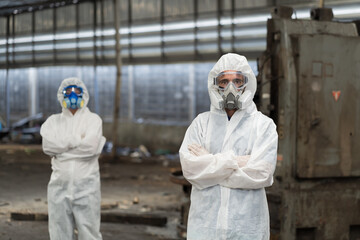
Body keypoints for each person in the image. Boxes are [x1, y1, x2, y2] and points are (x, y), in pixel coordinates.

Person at [179, 53, 278, 240]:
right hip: (206, 227)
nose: (231, 87)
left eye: (237, 81)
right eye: (224, 81)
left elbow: (261, 174)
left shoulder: (263, 126)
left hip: (246, 227)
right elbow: (191, 170)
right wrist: (237, 161)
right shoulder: (201, 124)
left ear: (247, 84)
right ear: (215, 85)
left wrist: (210, 165)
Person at [40, 77, 106, 240]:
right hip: (59, 187)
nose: (73, 95)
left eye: (77, 91)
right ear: (61, 96)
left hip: (87, 187)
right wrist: (77, 140)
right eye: (68, 92)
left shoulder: (93, 120)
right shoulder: (53, 122)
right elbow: (48, 147)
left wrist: (61, 150)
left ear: (84, 95)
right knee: (58, 232)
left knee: (89, 232)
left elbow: (90, 149)